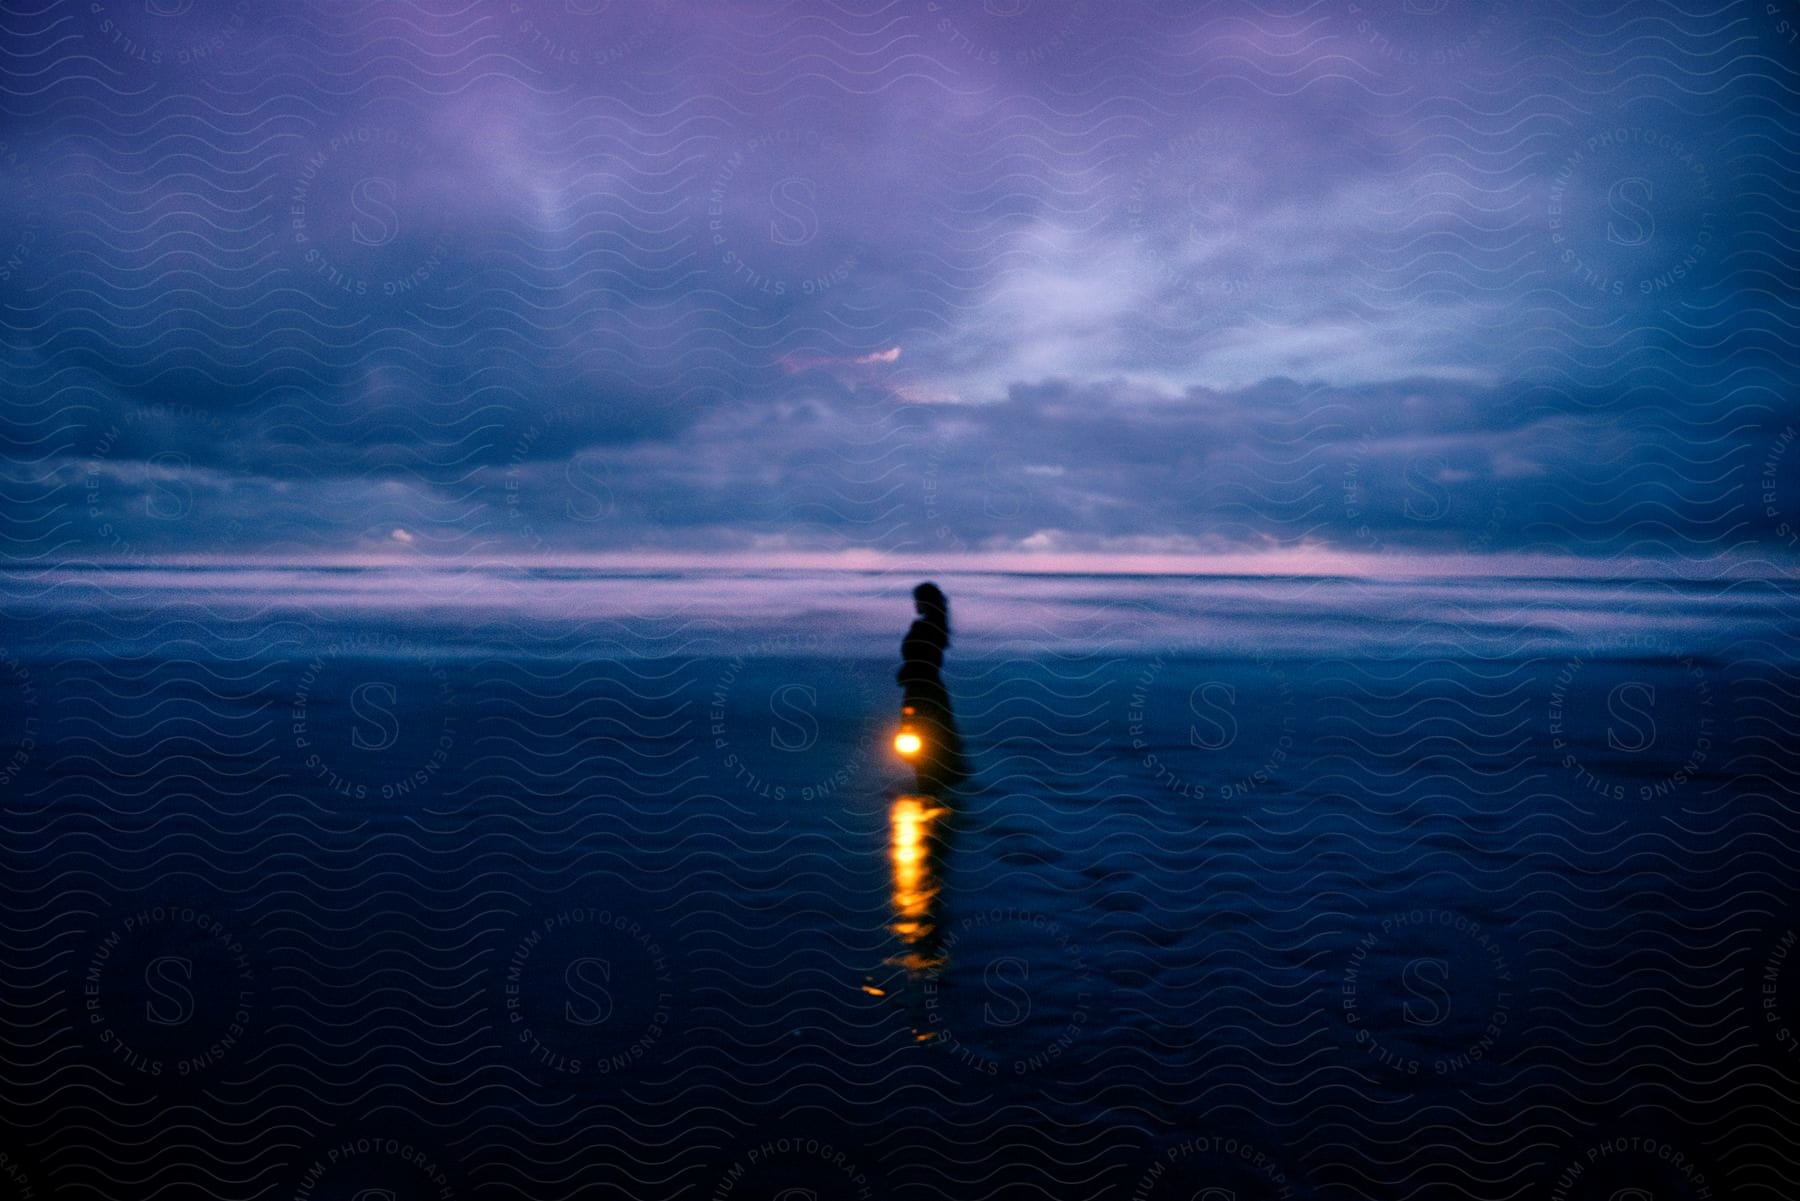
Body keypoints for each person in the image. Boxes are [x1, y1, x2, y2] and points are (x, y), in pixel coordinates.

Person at [897, 582, 969, 792]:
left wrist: (908, 672)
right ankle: (934, 792)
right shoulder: (936, 626)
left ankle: (929, 791)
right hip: (930, 691)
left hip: (921, 691)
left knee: (921, 742)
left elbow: (920, 660)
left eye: (918, 601)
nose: (915, 605)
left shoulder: (924, 627)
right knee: (930, 742)